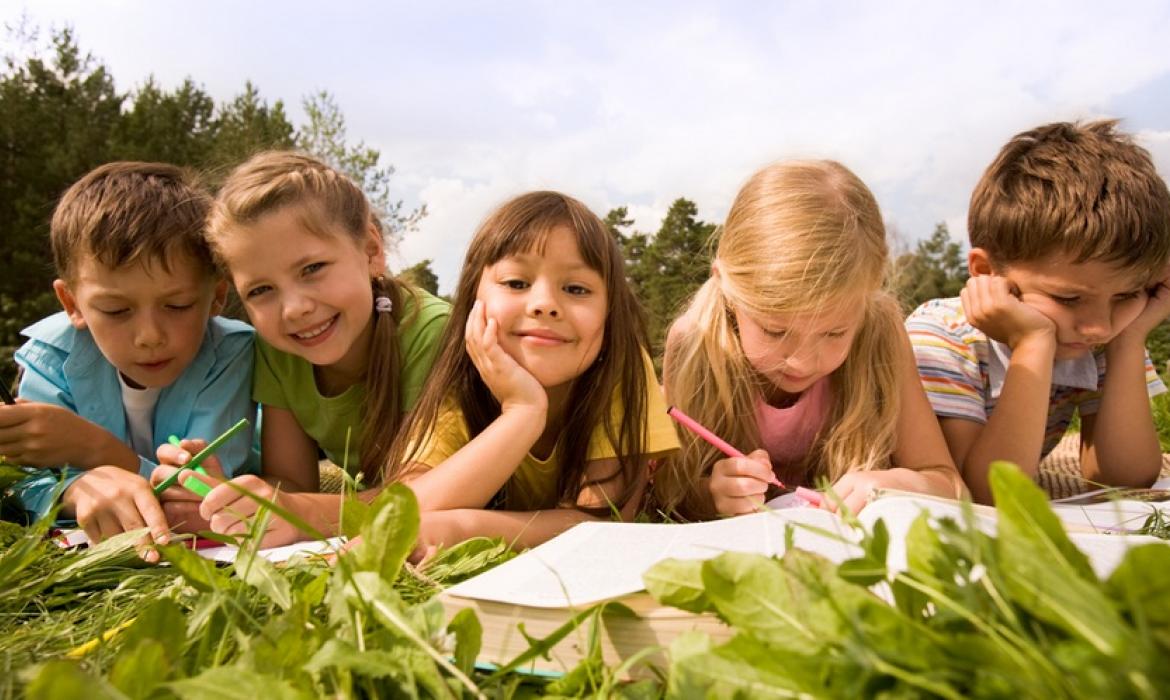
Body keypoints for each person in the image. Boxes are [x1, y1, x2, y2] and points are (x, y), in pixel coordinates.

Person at [156, 151, 449, 544]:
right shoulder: (279, 349)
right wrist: (226, 499)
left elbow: (427, 495)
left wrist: (299, 513)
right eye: (261, 291)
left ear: (371, 251)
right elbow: (292, 481)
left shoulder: (431, 332)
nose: (294, 310)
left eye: (312, 269)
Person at [656, 160, 962, 519]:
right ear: (726, 288)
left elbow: (951, 485)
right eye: (775, 331)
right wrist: (712, 495)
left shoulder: (881, 331)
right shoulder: (695, 342)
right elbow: (671, 490)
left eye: (834, 333)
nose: (801, 361)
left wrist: (901, 483)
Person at [386, 190, 679, 560]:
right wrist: (523, 411)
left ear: (610, 314)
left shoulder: (622, 369)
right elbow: (403, 515)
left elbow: (604, 519)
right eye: (516, 283)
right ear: (472, 300)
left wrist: (467, 528)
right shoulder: (461, 381)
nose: (544, 304)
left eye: (575, 289)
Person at [907, 120, 1170, 504]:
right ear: (985, 272)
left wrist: (1130, 340)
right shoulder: (941, 336)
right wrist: (1033, 343)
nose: (1098, 326)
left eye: (1127, 294)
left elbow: (1122, 477)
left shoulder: (1109, 332)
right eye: (1067, 299)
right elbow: (981, 493)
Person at [1, 162, 257, 552]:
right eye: (116, 311)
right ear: (72, 303)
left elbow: (200, 493)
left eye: (178, 305)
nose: (149, 337)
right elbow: (22, 484)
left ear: (217, 297)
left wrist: (96, 450)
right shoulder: (50, 357)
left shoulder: (230, 354)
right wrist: (73, 490)